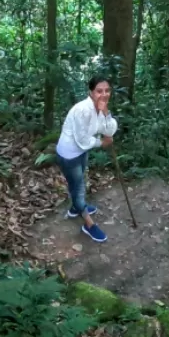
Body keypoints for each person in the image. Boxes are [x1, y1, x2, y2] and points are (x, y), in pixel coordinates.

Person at [55, 76, 117, 243]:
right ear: (90, 92)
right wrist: (101, 142)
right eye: (99, 91)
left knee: (79, 180)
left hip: (81, 152)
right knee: (78, 187)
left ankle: (76, 208)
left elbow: (110, 130)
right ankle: (88, 224)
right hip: (69, 154)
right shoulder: (82, 110)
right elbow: (82, 140)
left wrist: (105, 113)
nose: (103, 94)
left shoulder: (100, 109)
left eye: (107, 90)